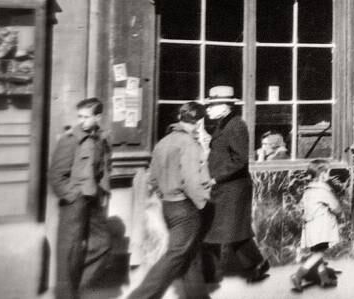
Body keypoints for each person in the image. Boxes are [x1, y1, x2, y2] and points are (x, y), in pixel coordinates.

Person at [129, 102, 211, 299]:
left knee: (189, 255)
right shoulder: (189, 144)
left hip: (168, 205)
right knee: (175, 256)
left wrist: (165, 194)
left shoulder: (163, 142)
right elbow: (191, 181)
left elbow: (153, 179)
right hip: (185, 207)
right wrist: (202, 201)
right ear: (199, 122)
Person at [201, 86, 271, 283]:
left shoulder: (236, 125)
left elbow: (240, 160)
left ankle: (212, 273)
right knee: (231, 230)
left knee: (226, 230)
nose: (209, 108)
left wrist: (216, 178)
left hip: (232, 188)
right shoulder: (223, 123)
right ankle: (255, 263)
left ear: (225, 106)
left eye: (212, 104)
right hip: (225, 188)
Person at [49, 97, 112, 299]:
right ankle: (67, 296)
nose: (81, 121)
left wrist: (101, 193)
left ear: (98, 117)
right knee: (70, 252)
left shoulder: (99, 139)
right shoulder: (70, 140)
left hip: (92, 198)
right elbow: (56, 174)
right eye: (80, 116)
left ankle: (80, 289)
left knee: (103, 244)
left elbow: (101, 169)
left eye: (86, 117)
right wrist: (71, 195)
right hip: (74, 200)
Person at [290, 159, 345, 292]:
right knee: (319, 254)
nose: (329, 175)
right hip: (321, 227)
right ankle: (299, 275)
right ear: (322, 175)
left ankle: (324, 279)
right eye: (328, 173)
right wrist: (340, 214)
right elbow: (336, 207)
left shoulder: (308, 190)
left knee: (317, 251)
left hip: (310, 226)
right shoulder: (323, 190)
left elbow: (301, 207)